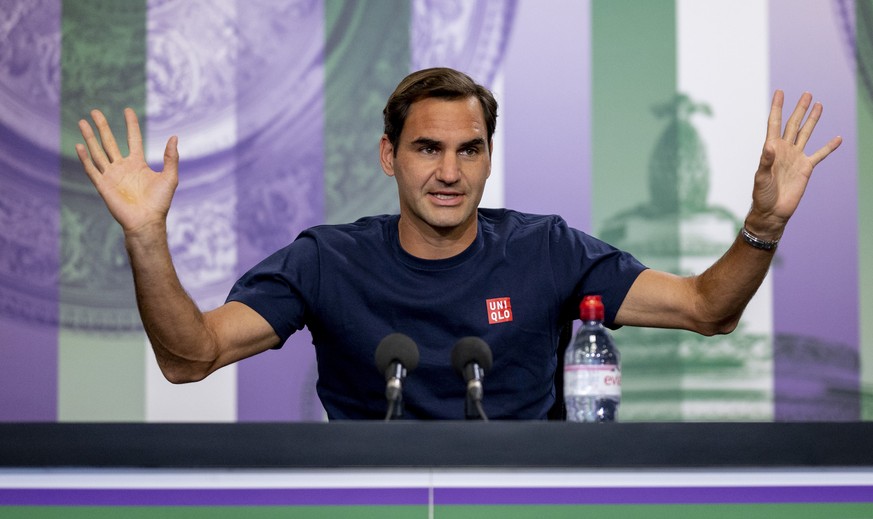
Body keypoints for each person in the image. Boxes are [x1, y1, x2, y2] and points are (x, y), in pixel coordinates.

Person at [76, 68, 842, 420]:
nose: (449, 172)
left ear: (487, 155)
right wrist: (147, 237)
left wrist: (762, 226)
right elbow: (190, 357)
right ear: (389, 155)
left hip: (534, 505)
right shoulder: (325, 259)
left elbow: (707, 309)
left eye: (468, 150)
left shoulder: (545, 249)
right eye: (426, 149)